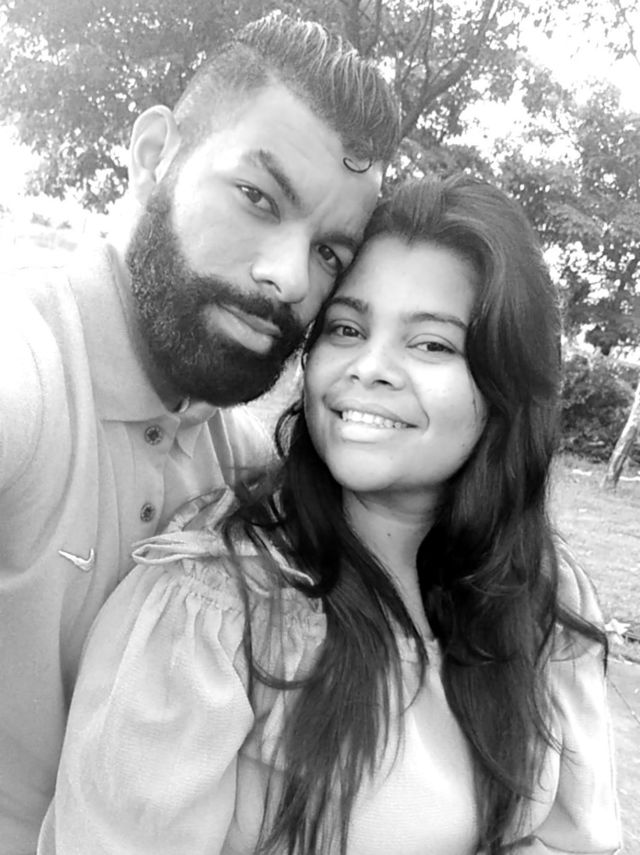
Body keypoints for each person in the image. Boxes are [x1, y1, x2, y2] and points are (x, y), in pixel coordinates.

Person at [39, 175, 621, 854]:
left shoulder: (544, 596)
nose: (369, 367)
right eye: (347, 328)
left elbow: (571, 838)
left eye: (431, 343)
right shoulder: (216, 606)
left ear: (506, 387)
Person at [0, 15, 399, 852]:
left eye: (330, 253)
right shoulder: (27, 366)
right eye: (258, 198)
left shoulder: (242, 467)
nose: (287, 278)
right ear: (154, 155)